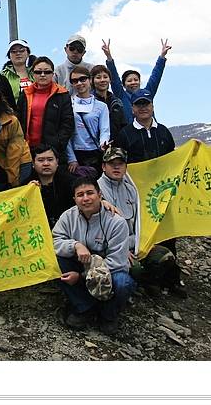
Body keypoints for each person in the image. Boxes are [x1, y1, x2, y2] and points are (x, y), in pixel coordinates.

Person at [52, 176, 135, 335]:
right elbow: (55, 241)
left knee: (123, 282)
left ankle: (108, 315)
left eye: (90, 193)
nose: (85, 198)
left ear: (100, 194)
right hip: (79, 262)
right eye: (80, 195)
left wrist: (83, 276)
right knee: (54, 262)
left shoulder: (116, 222)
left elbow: (118, 262)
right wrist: (75, 245)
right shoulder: (68, 216)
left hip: (107, 270)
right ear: (74, 199)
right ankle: (84, 307)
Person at [98, 146, 184, 297]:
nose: (116, 167)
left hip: (135, 244)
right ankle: (130, 287)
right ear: (104, 166)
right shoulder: (96, 190)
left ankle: (143, 283)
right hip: (112, 248)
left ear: (126, 167)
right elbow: (97, 231)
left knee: (166, 257)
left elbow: (139, 222)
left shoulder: (132, 189)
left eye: (121, 163)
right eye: (112, 163)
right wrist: (121, 250)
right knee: (135, 269)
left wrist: (144, 243)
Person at [16, 56, 74, 162]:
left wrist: (57, 144)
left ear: (52, 74)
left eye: (47, 72)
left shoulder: (62, 94)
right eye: (38, 72)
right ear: (33, 74)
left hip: (53, 151)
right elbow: (18, 120)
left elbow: (68, 123)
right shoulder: (25, 93)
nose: (42, 75)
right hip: (27, 150)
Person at [101, 38, 171, 123]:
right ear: (123, 84)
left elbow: (155, 77)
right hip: (130, 134)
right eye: (129, 81)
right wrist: (109, 58)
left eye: (136, 80)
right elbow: (114, 78)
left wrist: (162, 57)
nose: (133, 82)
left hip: (150, 132)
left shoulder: (147, 93)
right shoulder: (121, 96)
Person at [66, 65, 110, 175]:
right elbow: (66, 135)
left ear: (90, 80)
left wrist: (103, 144)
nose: (79, 83)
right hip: (76, 153)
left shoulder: (102, 106)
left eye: (83, 79)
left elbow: (105, 130)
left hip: (96, 153)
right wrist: (72, 158)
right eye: (75, 81)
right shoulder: (67, 105)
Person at [113, 89, 175, 163]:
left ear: (152, 107)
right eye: (138, 104)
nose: (142, 108)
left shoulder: (164, 131)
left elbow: (172, 156)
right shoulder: (124, 134)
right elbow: (119, 162)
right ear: (132, 109)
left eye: (146, 104)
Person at [29, 144, 74, 228]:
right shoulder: (26, 185)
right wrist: (28, 194)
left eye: (50, 160)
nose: (46, 164)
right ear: (33, 164)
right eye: (41, 160)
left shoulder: (71, 182)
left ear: (57, 162)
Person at [90, 64, 127, 141]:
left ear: (110, 80)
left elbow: (123, 125)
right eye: (98, 77)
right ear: (92, 81)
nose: (102, 80)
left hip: (115, 147)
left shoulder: (117, 102)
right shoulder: (89, 101)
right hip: (94, 146)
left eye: (105, 77)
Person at [0, 39, 35, 104]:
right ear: (9, 56)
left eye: (22, 51)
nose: (18, 53)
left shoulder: (36, 72)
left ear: (28, 54)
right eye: (13, 51)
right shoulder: (3, 75)